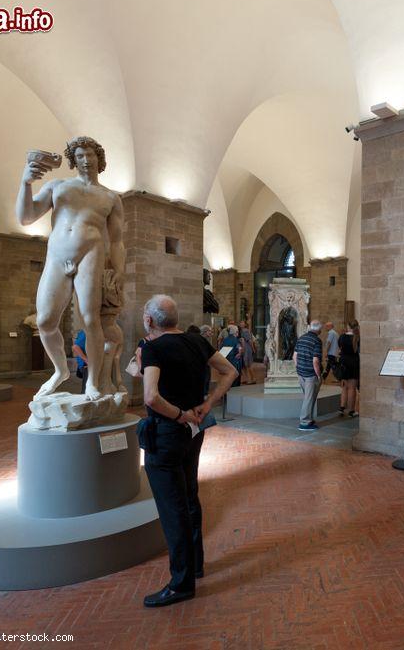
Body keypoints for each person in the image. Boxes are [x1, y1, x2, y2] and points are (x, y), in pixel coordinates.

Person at [139, 295, 237, 608]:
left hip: (168, 432)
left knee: (173, 508)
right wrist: (207, 404)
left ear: (150, 321)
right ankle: (195, 564)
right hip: (194, 431)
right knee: (190, 496)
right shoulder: (197, 341)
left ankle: (181, 582)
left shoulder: (152, 348)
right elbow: (230, 371)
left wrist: (179, 414)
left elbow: (151, 398)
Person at [17, 136, 125, 401]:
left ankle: (94, 382)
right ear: (72, 160)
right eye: (79, 156)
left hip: (91, 253)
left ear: (99, 159)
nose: (85, 160)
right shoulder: (58, 186)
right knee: (44, 321)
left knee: (91, 320)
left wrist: (119, 272)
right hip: (57, 255)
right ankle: (60, 371)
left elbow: (118, 241)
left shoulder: (110, 197)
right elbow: (26, 217)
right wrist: (26, 183)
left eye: (90, 155)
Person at [293, 320, 324, 431]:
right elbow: (316, 360)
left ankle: (309, 419)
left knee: (308, 398)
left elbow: (294, 356)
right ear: (319, 330)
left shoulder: (301, 338)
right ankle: (305, 422)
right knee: (309, 399)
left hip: (301, 373)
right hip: (310, 375)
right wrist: (319, 375)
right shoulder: (317, 341)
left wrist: (298, 369)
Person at [337, 321, 359, 417]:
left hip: (344, 362)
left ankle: (342, 408)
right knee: (352, 388)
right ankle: (351, 410)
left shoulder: (342, 337)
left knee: (344, 386)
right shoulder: (357, 337)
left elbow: (340, 348)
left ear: (348, 326)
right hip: (354, 362)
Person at [239, 320, 257, 385]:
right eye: (240, 322)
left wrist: (253, 349)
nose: (241, 324)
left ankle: (253, 379)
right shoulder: (241, 331)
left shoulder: (245, 331)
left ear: (245, 324)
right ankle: (247, 379)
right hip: (244, 349)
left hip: (247, 349)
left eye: (242, 323)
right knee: (244, 365)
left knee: (248, 365)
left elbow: (249, 341)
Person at [72, 329, 88, 394]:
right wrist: (87, 361)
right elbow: (75, 347)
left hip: (94, 364)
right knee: (87, 390)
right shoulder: (86, 332)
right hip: (86, 365)